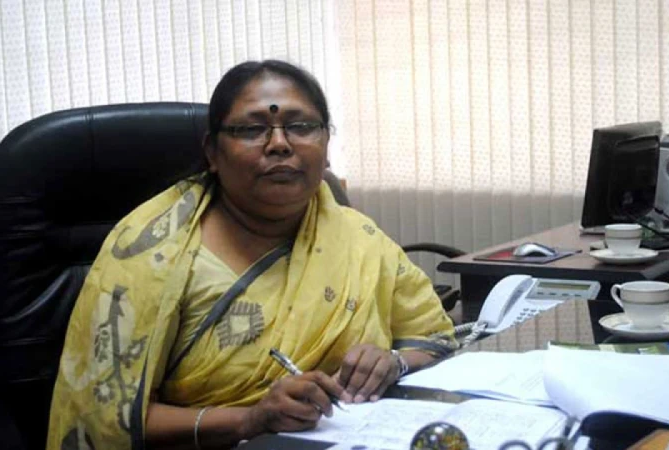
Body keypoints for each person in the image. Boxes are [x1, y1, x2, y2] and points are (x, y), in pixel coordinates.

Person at [47, 60, 457, 450]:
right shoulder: (149, 255)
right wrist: (250, 420)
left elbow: (436, 341)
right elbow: (105, 421)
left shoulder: (356, 237)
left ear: (326, 144)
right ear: (212, 152)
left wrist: (393, 362)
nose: (279, 144)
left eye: (301, 126)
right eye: (251, 129)